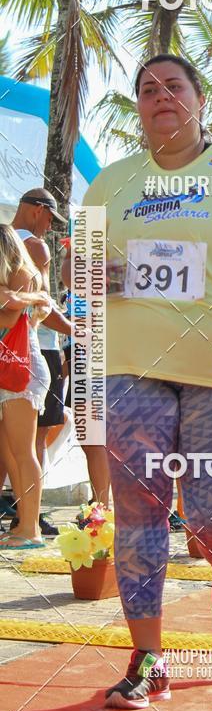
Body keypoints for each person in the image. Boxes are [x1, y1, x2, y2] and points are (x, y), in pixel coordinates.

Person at [82, 53, 212, 709]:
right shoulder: (108, 185)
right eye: (147, 90)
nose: (160, 96)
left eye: (173, 86)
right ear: (138, 110)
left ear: (200, 101)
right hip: (131, 368)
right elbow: (90, 281)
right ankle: (148, 658)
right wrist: (116, 273)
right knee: (139, 511)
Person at [11, 188, 72, 536]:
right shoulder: (35, 246)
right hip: (37, 347)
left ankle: (24, 516)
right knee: (34, 441)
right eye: (50, 217)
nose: (49, 226)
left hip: (9, 346)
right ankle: (29, 518)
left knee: (13, 441)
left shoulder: (5, 239)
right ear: (37, 210)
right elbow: (43, 308)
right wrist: (76, 329)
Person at [0, 225, 53, 549]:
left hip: (22, 368)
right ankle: (23, 525)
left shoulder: (20, 273)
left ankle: (31, 528)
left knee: (23, 451)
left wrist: (21, 297)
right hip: (11, 369)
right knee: (10, 452)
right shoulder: (14, 279)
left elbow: (7, 317)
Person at [59, 238, 111, 507]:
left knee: (93, 439)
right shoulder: (78, 291)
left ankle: (102, 507)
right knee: (89, 439)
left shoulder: (94, 287)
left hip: (93, 362)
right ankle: (99, 502)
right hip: (82, 358)